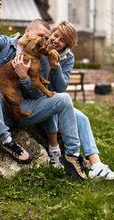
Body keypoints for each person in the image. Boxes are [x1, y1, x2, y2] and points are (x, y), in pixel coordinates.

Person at [0, 0, 86, 180]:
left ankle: (71, 155)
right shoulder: (4, 45)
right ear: (27, 31)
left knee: (64, 99)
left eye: (46, 39)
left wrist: (24, 77)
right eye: (40, 36)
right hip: (2, 109)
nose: (43, 42)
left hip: (28, 110)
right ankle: (6, 140)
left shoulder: (42, 57)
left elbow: (38, 92)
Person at [45, 20, 114, 180]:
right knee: (59, 103)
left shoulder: (68, 57)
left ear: (66, 45)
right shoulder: (40, 48)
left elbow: (61, 87)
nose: (56, 40)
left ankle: (96, 166)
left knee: (82, 118)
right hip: (41, 101)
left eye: (62, 40)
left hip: (57, 99)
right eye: (55, 35)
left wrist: (56, 68)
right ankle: (57, 153)